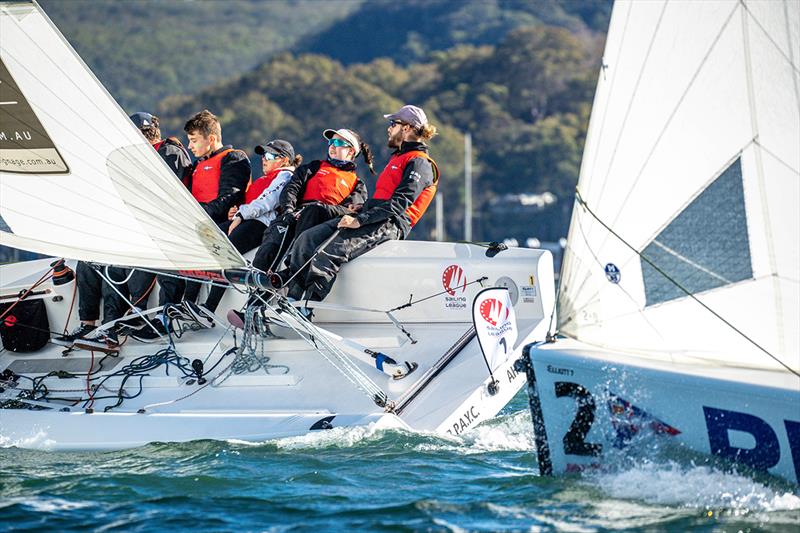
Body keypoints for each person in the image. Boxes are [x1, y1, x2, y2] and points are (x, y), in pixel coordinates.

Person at [53, 112, 193, 349]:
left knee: (116, 267)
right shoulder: (138, 161)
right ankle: (89, 325)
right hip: (135, 229)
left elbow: (164, 194)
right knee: (88, 264)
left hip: (160, 230)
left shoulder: (169, 153)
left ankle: (112, 327)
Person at [284, 105, 439, 304]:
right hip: (372, 214)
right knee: (306, 239)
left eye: (393, 124)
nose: (389, 129)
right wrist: (362, 209)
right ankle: (291, 300)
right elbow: (383, 198)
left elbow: (400, 203)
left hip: (391, 222)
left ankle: (307, 306)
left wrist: (361, 220)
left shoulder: (421, 163)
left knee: (329, 252)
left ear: (407, 128)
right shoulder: (399, 157)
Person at [197, 139, 301, 313]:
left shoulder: (286, 176)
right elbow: (251, 202)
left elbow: (268, 202)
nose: (263, 159)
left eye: (269, 155)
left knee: (226, 252)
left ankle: (208, 309)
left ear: (283, 160)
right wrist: (236, 211)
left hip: (260, 224)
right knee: (204, 239)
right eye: (262, 155)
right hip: (247, 220)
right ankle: (189, 303)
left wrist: (240, 214)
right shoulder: (267, 178)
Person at [161, 110, 252, 308]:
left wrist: (197, 215)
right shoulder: (198, 164)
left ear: (211, 138)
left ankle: (187, 305)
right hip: (194, 224)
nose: (189, 146)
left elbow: (231, 196)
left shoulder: (233, 158)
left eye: (194, 140)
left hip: (214, 224)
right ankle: (164, 312)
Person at [250, 128, 372, 275]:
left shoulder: (357, 184)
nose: (332, 146)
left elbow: (350, 210)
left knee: (313, 211)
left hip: (321, 219)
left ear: (351, 151)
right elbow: (291, 189)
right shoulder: (314, 167)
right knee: (269, 248)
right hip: (294, 215)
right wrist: (288, 209)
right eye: (331, 142)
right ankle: (256, 284)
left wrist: (320, 207)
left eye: (338, 142)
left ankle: (291, 267)